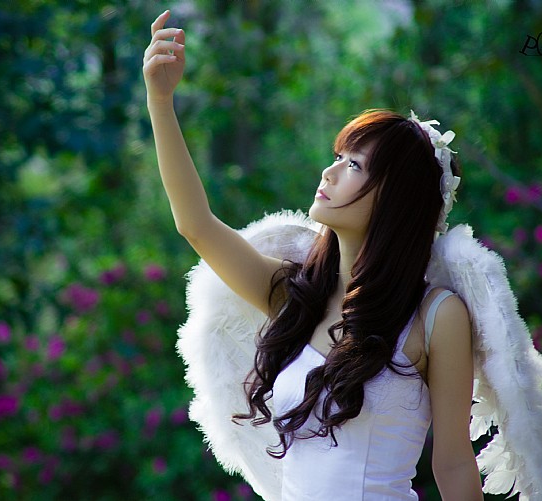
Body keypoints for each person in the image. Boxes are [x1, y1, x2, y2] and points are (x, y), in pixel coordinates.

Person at [143, 9, 485, 500]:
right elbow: (195, 225)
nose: (329, 172)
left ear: (395, 200)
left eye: (354, 165)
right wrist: (160, 101)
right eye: (337, 157)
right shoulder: (297, 295)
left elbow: (453, 464)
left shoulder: (436, 316)